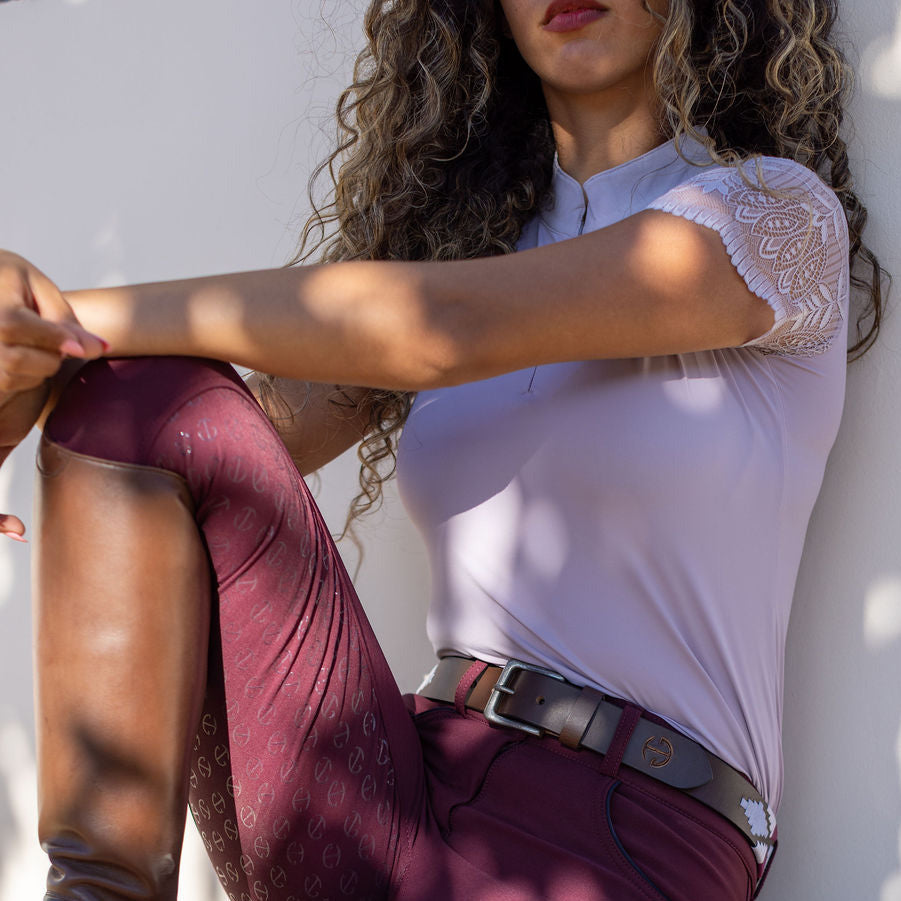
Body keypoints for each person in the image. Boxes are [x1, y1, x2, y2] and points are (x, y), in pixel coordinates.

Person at [0, 0, 886, 898]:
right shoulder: (465, 249)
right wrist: (27, 371)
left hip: (626, 831)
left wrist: (56, 321)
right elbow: (192, 440)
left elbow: (448, 327)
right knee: (134, 401)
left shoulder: (772, 218)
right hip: (395, 784)